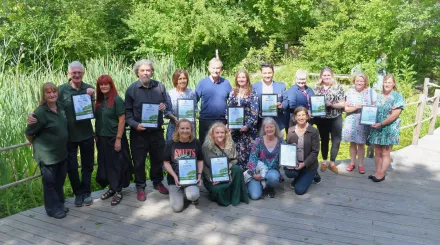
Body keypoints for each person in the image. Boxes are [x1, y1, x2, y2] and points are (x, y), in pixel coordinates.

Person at [28, 61, 95, 207]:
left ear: (83, 73)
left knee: (87, 165)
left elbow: (95, 112)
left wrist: (93, 97)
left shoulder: (89, 89)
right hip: (69, 137)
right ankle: (78, 193)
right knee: (71, 167)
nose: (77, 75)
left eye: (79, 72)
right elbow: (48, 103)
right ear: (68, 74)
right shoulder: (61, 90)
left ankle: (86, 192)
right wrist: (33, 115)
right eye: (73, 72)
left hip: (87, 134)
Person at [125, 59, 172, 201]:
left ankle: (157, 182)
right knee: (139, 161)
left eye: (148, 70)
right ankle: (140, 186)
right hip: (139, 133)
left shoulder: (160, 87)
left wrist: (164, 106)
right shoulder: (131, 90)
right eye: (142, 70)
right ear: (137, 73)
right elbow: (127, 113)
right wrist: (135, 125)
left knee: (158, 158)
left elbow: (168, 105)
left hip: (156, 132)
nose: (146, 73)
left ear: (152, 71)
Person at [25, 83, 69, 219]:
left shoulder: (60, 107)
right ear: (44, 95)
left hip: (61, 152)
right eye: (48, 93)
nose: (52, 95)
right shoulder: (40, 112)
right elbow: (28, 132)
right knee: (50, 182)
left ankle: (60, 204)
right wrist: (35, 144)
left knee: (60, 179)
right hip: (47, 155)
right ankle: (52, 209)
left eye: (54, 92)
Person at [95, 75, 132, 206]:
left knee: (117, 165)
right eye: (101, 85)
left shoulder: (117, 100)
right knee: (106, 164)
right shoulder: (99, 101)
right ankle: (112, 188)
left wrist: (118, 139)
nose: (104, 86)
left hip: (114, 137)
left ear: (111, 85)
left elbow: (122, 120)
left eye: (106, 84)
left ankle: (118, 191)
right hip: (102, 138)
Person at [368, 74, 405, 182]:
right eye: (385, 82)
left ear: (393, 83)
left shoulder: (397, 96)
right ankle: (377, 171)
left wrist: (381, 123)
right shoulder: (378, 96)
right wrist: (369, 119)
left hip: (389, 128)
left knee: (385, 152)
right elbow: (372, 110)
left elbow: (394, 115)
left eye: (389, 82)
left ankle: (381, 173)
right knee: (377, 151)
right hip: (377, 127)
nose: (387, 84)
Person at [202, 122, 249, 206]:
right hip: (213, 176)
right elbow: (204, 165)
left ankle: (235, 197)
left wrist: (229, 167)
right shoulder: (206, 147)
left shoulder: (230, 144)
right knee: (218, 190)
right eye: (217, 132)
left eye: (222, 132)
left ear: (226, 133)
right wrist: (210, 177)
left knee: (237, 169)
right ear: (212, 134)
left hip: (227, 173)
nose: (220, 135)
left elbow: (234, 159)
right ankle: (218, 194)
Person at [163, 119, 203, 212]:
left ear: (191, 130)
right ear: (178, 129)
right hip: (175, 179)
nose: (185, 131)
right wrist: (174, 176)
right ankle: (179, 191)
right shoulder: (170, 144)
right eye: (182, 128)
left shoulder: (196, 142)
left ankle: (191, 194)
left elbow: (200, 160)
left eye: (187, 128)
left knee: (193, 195)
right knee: (177, 208)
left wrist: (199, 175)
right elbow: (166, 162)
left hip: (191, 178)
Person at [342, 73, 376, 174]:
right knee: (352, 143)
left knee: (361, 144)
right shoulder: (350, 92)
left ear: (365, 82)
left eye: (361, 81)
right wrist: (356, 107)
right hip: (351, 120)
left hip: (364, 122)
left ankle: (361, 165)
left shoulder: (370, 92)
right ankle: (352, 163)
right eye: (357, 80)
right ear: (354, 81)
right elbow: (346, 108)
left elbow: (374, 107)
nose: (359, 82)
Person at [313, 67, 345, 174]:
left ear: (332, 76)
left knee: (336, 140)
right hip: (322, 118)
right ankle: (325, 161)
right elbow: (313, 103)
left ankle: (332, 162)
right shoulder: (317, 88)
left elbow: (343, 103)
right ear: (321, 76)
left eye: (328, 75)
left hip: (335, 117)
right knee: (324, 139)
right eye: (324, 75)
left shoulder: (338, 87)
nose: (326, 77)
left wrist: (331, 104)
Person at [226, 70, 259, 171]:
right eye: (239, 77)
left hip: (248, 130)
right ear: (236, 79)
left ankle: (248, 177)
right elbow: (228, 109)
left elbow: (255, 112)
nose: (241, 79)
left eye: (243, 77)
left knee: (247, 154)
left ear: (247, 79)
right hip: (235, 130)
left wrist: (247, 126)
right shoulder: (233, 92)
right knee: (235, 154)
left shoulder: (252, 93)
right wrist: (229, 123)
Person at [285, 107, 320, 195]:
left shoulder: (314, 131)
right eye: (299, 115)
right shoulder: (290, 130)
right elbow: (288, 149)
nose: (301, 117)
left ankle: (314, 173)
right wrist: (289, 163)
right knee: (289, 173)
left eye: (303, 115)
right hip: (296, 163)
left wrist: (304, 164)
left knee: (299, 190)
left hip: (308, 165)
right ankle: (299, 176)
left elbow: (315, 152)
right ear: (295, 118)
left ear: (307, 116)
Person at [196, 58, 232, 144]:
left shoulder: (226, 83)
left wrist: (230, 121)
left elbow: (232, 102)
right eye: (213, 68)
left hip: (222, 121)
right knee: (205, 148)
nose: (215, 70)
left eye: (218, 68)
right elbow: (194, 101)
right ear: (209, 68)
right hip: (205, 121)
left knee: (221, 147)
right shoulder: (202, 83)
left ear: (221, 69)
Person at [247, 117, 284, 199]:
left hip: (272, 171)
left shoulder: (281, 141)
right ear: (264, 129)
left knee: (273, 177)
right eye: (267, 127)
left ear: (275, 128)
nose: (269, 129)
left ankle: (269, 187)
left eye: (271, 127)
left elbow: (286, 156)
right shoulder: (258, 141)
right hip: (258, 171)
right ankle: (258, 184)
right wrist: (254, 174)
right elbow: (252, 158)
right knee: (255, 196)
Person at [252, 63, 288, 133]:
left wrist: (281, 106)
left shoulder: (281, 86)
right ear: (261, 73)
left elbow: (286, 101)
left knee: (278, 143)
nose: (267, 75)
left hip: (278, 122)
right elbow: (251, 103)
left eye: (269, 73)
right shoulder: (254, 87)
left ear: (273, 73)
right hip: (260, 123)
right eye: (265, 73)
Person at [165, 69, 197, 141]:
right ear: (176, 80)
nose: (182, 81)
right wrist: (174, 118)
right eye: (180, 79)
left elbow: (195, 109)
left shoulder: (192, 93)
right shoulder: (170, 94)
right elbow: (167, 111)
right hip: (174, 126)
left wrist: (193, 118)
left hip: (189, 127)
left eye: (184, 78)